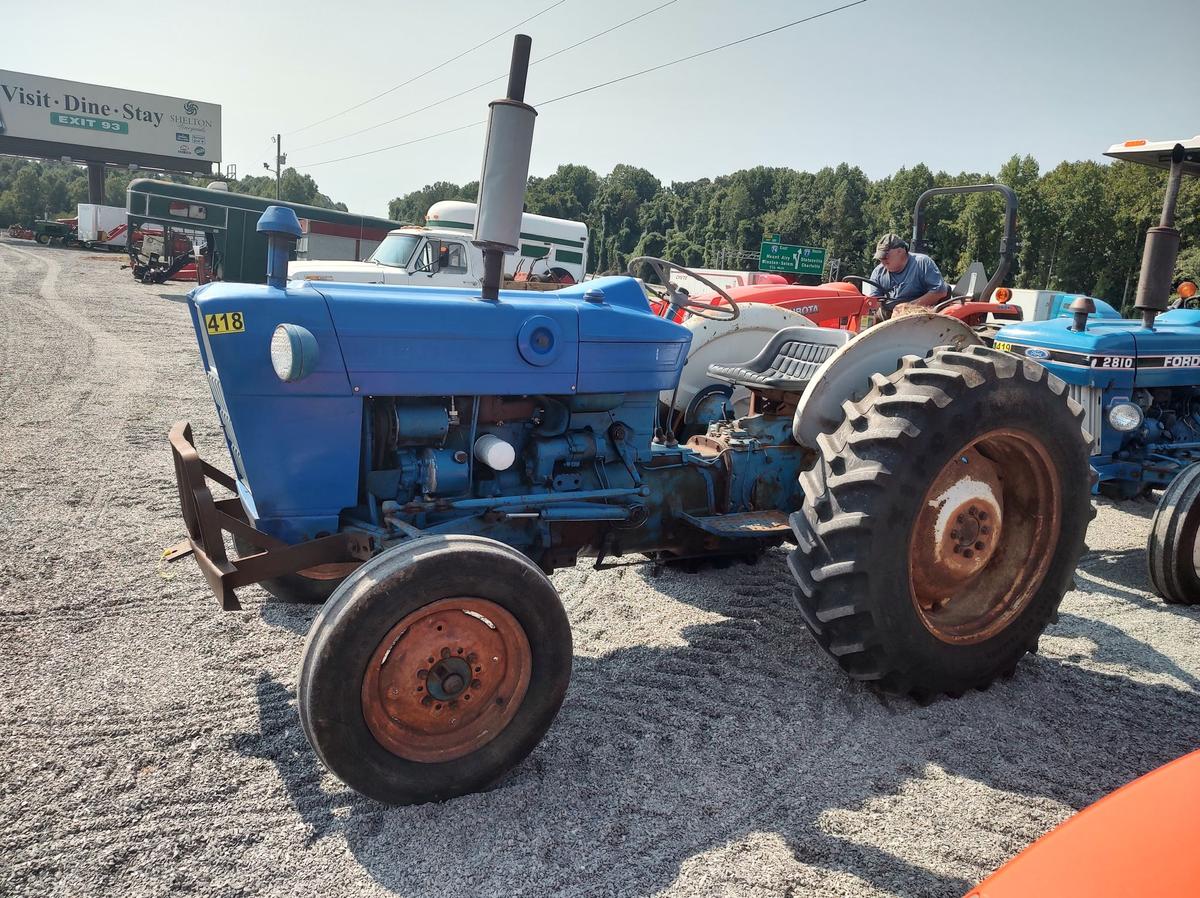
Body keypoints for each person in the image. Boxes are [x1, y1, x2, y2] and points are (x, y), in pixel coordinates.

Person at [864, 233, 949, 312]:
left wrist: (908, 307)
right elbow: (874, 302)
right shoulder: (878, 272)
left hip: (918, 316)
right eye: (880, 258)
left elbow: (940, 291)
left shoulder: (922, 263)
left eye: (885, 256)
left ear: (900, 251)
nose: (882, 261)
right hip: (888, 315)